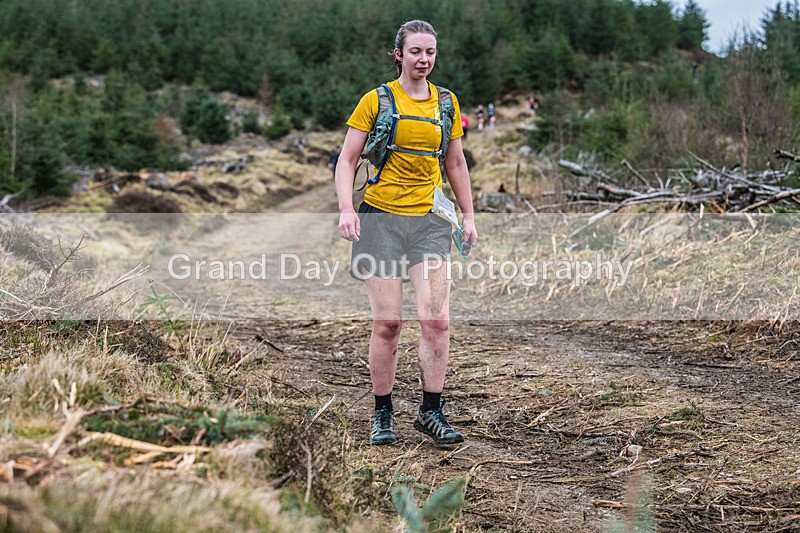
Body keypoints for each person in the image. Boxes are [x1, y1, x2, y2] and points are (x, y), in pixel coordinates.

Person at [334, 19, 478, 446]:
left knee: (436, 321)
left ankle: (431, 411)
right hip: (379, 222)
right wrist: (346, 209)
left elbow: (455, 164)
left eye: (430, 52)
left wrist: (468, 217)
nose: (424, 59)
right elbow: (346, 160)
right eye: (415, 51)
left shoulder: (446, 104)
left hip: (430, 225)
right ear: (398, 54)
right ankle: (383, 414)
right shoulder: (375, 101)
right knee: (389, 324)